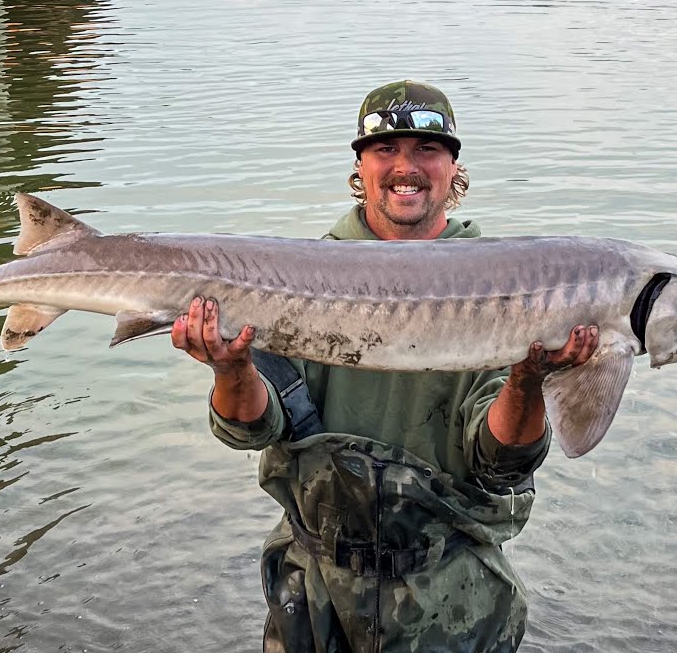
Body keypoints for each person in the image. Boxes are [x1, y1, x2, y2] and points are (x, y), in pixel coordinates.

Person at [171, 80, 599, 653]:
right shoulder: (290, 278)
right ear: (360, 165)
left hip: (450, 591)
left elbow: (500, 465)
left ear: (453, 166)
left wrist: (529, 377)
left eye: (426, 148)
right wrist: (231, 370)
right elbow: (254, 430)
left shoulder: (510, 287)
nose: (406, 166)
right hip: (312, 588)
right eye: (386, 149)